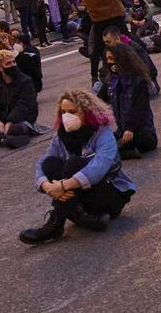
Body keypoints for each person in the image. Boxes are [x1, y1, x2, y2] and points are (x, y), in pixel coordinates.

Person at [18, 89, 136, 244]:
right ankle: (83, 216)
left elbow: (98, 168)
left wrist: (62, 186)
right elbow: (42, 162)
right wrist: (46, 186)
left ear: (87, 113)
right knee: (50, 164)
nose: (67, 116)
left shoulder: (103, 134)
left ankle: (56, 223)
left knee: (74, 163)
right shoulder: (61, 137)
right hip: (81, 195)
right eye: (64, 112)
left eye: (72, 112)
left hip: (108, 194)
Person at [101, 43, 157, 160]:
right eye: (107, 59)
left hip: (142, 133)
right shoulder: (112, 81)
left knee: (109, 150)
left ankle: (125, 151)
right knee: (103, 144)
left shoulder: (138, 81)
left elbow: (141, 110)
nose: (109, 62)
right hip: (122, 132)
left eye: (112, 59)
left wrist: (130, 129)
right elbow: (98, 99)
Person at [78, 0, 128, 85]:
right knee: (128, 41)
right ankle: (140, 68)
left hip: (97, 19)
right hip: (114, 15)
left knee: (96, 48)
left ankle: (94, 77)